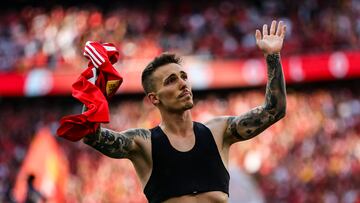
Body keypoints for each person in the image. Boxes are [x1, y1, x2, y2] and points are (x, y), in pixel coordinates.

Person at [83, 20, 287, 203]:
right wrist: (97, 83)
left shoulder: (218, 131)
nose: (182, 83)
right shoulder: (144, 143)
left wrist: (272, 56)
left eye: (183, 76)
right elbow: (91, 135)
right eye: (171, 80)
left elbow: (274, 110)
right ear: (154, 98)